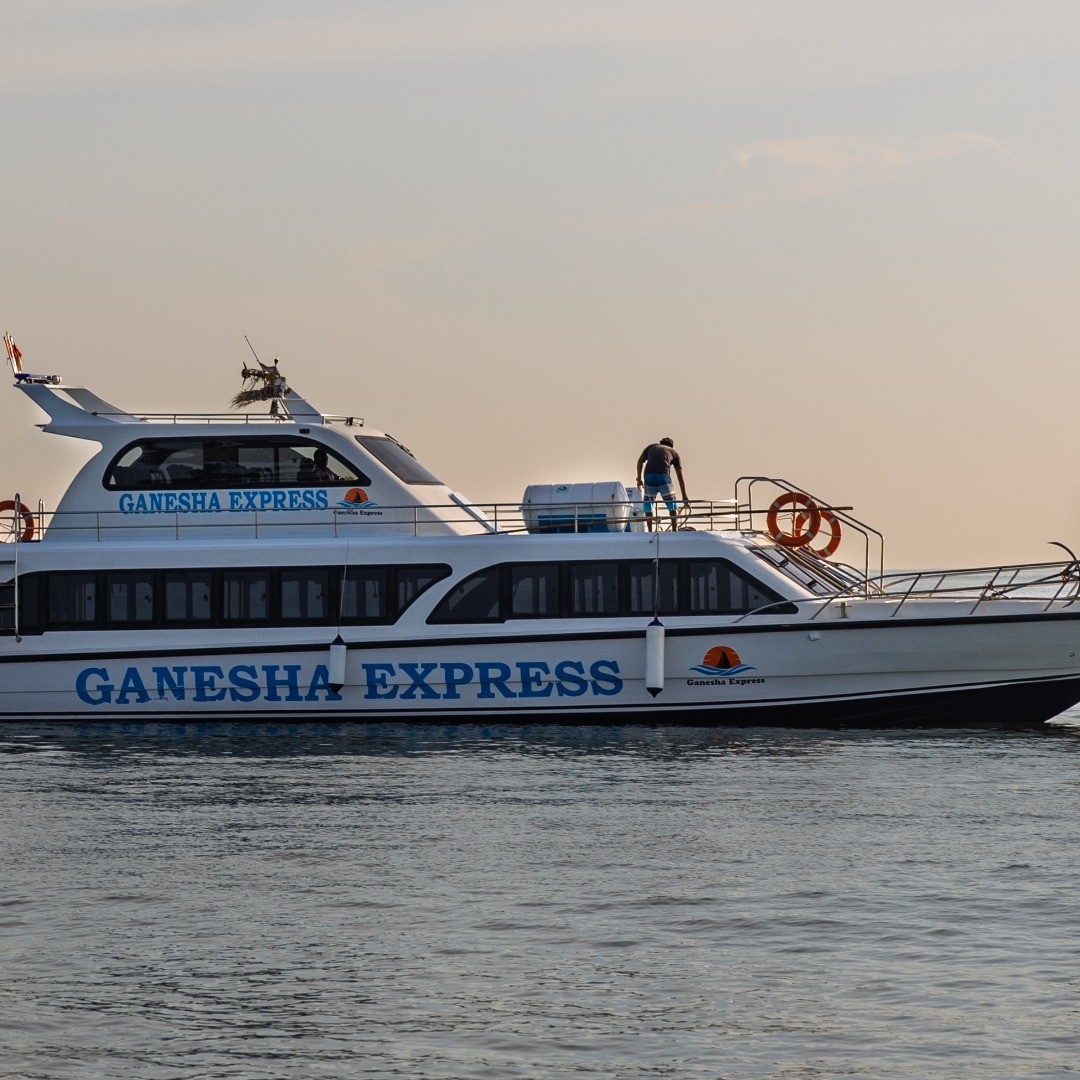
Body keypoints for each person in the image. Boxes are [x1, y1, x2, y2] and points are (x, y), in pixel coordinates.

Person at [636, 436, 689, 531]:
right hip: (663, 477)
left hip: (649, 477)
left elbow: (640, 461)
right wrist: (684, 496)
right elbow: (679, 476)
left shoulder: (651, 447)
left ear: (660, 443)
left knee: (648, 506)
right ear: (671, 446)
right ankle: (674, 530)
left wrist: (639, 479)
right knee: (672, 506)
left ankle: (650, 531)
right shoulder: (674, 452)